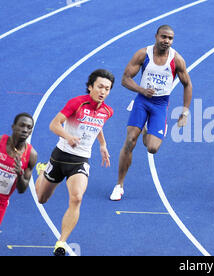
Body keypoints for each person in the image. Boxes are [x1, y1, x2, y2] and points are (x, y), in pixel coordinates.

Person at [35, 69, 114, 256]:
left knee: (77, 197)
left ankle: (61, 242)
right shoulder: (76, 103)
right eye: (100, 87)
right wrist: (68, 136)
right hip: (61, 155)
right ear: (90, 87)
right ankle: (42, 171)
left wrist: (102, 145)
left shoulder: (107, 111)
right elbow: (54, 124)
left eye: (107, 88)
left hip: (80, 160)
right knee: (41, 199)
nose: (103, 91)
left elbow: (97, 126)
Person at [110, 25, 192, 201]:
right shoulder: (143, 54)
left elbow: (187, 85)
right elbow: (125, 79)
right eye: (163, 37)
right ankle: (119, 185)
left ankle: (147, 129)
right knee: (130, 141)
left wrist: (185, 111)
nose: (166, 41)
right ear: (156, 36)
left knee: (152, 148)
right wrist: (141, 90)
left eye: (170, 38)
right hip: (142, 101)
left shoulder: (177, 60)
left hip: (160, 105)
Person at [0, 113, 37, 226]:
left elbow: (22, 190)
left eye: (29, 127)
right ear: (13, 127)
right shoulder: (0, 141)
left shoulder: (31, 155)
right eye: (22, 125)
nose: (25, 130)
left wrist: (20, 175)